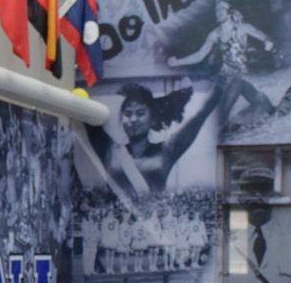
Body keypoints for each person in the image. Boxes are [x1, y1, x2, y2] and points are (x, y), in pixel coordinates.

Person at [84, 83, 221, 205]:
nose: (133, 119)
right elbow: (86, 116)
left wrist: (223, 78)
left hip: (154, 228)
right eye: (127, 114)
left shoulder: (166, 151)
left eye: (140, 113)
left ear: (153, 119)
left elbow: (199, 115)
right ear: (121, 118)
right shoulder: (111, 151)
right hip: (115, 227)